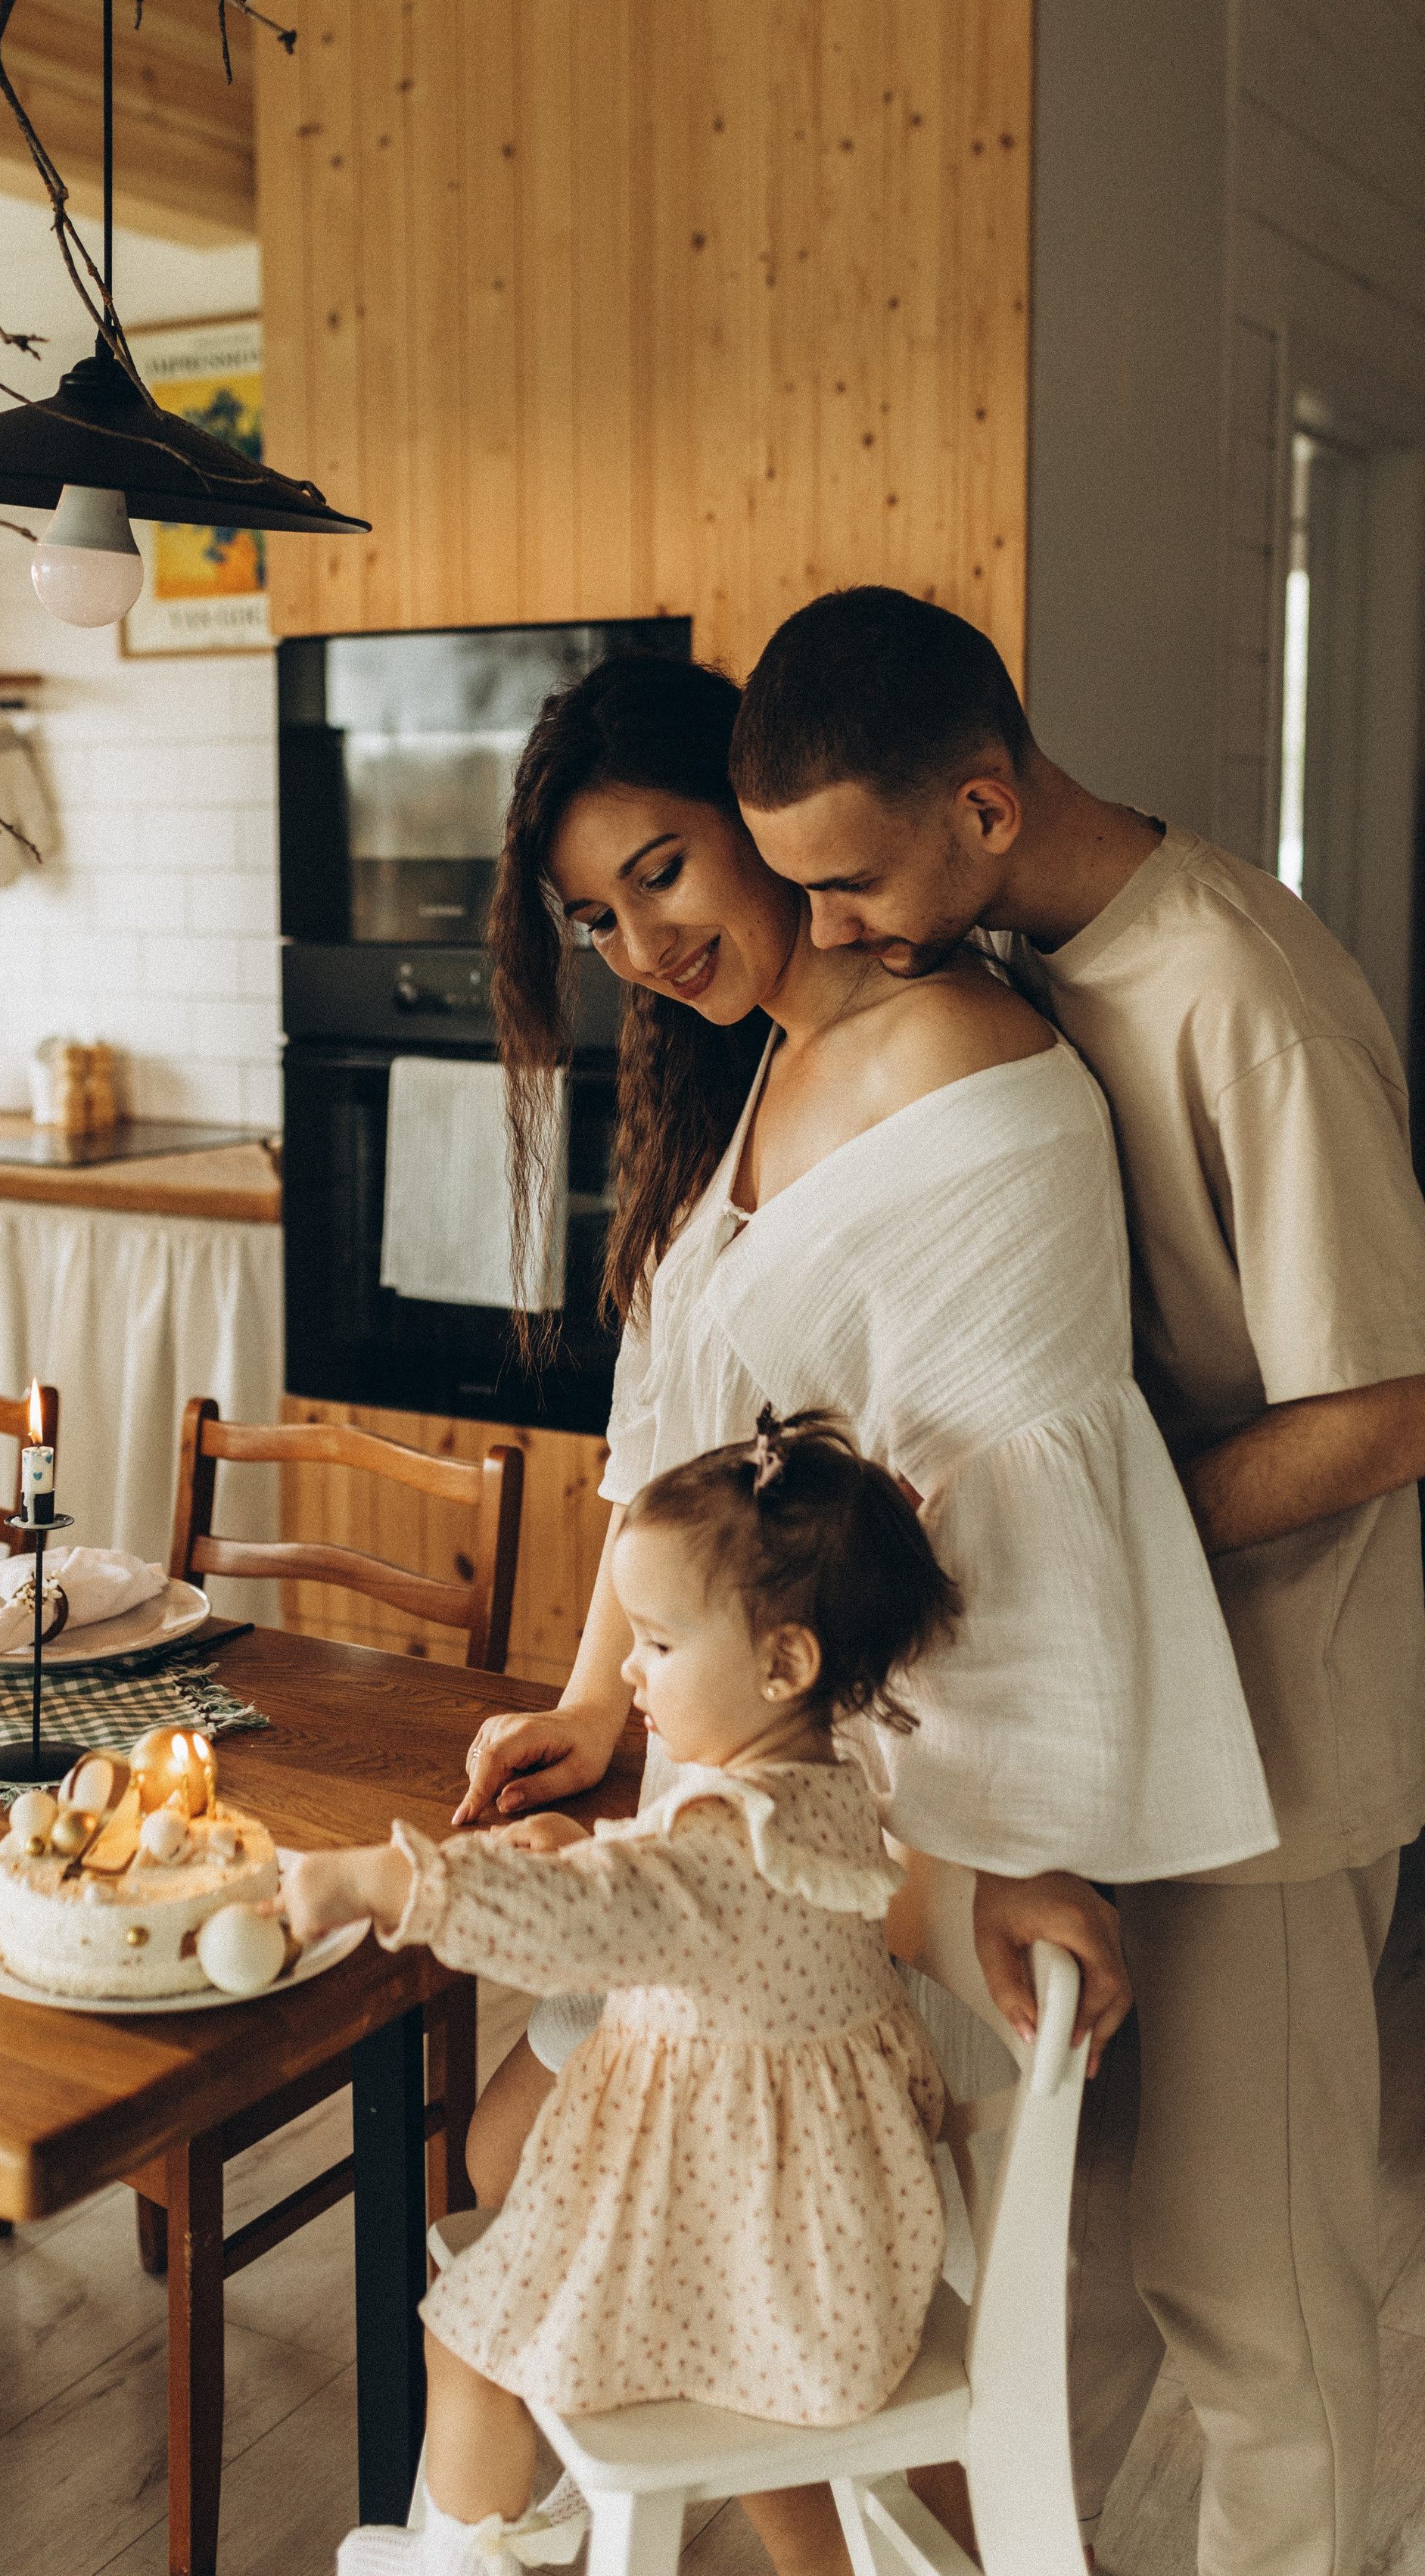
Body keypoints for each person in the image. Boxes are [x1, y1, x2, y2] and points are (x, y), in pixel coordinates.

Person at [728, 582, 1425, 2576]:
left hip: (1283, 1741)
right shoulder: (1027, 962)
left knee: (1255, 2298)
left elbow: (1385, 1407)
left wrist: (1077, 1536)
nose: (837, 937)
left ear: (985, 804)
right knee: (1068, 2269)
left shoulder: (1238, 989)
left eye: (852, 885)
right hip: (1129, 1722)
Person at [459, 653, 1273, 2214]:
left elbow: (1022, 1519)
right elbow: (667, 1453)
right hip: (747, 1801)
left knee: (625, 2222)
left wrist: (989, 1872)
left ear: (758, 819)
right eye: (596, 921)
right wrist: (590, 1705)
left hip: (893, 1829)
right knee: (511, 2166)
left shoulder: (959, 1061)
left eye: (661, 872)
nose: (641, 946)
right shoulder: (751, 1069)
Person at [291, 1414, 960, 2576]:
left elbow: (592, 1923)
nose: (630, 1672)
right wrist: (581, 1851)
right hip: (827, 2262)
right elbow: (656, 1901)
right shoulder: (818, 1796)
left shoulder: (728, 1843)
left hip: (753, 2269)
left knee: (468, 2340)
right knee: (530, 2289)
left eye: (653, 1642)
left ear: (784, 1662)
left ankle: (462, 2564)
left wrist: (374, 1878)